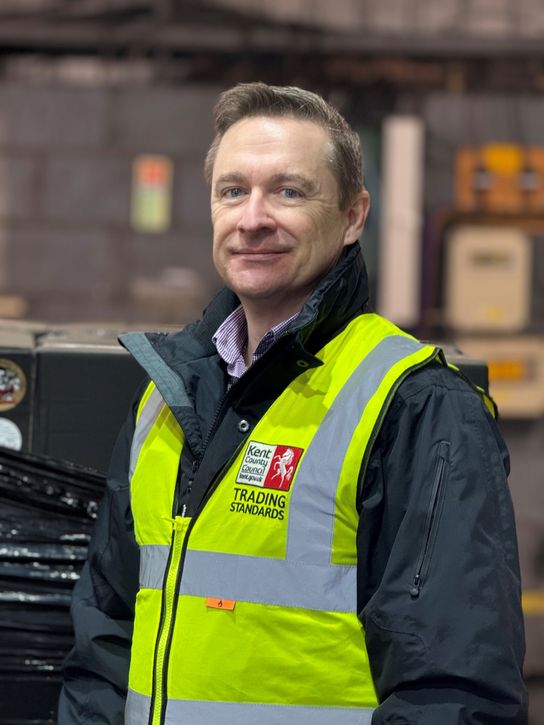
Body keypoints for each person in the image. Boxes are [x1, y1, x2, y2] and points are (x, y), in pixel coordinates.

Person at [59, 82, 527, 725]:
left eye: (289, 191)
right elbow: (105, 639)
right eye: (233, 190)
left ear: (354, 216)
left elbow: (452, 692)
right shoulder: (165, 397)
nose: (253, 217)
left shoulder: (417, 405)